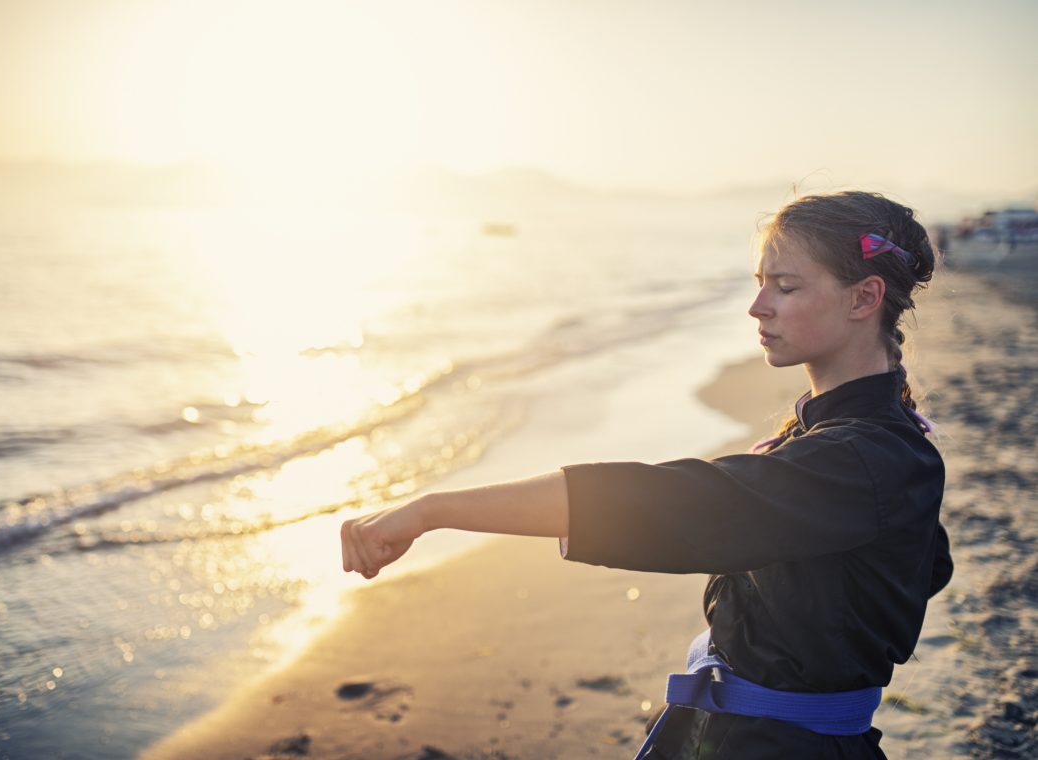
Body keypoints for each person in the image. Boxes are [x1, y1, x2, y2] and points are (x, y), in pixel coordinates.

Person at [340, 190, 953, 759]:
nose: (757, 306)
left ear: (864, 298)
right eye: (760, 282)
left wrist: (432, 511)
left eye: (786, 287)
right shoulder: (843, 443)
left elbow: (676, 502)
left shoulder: (870, 459)